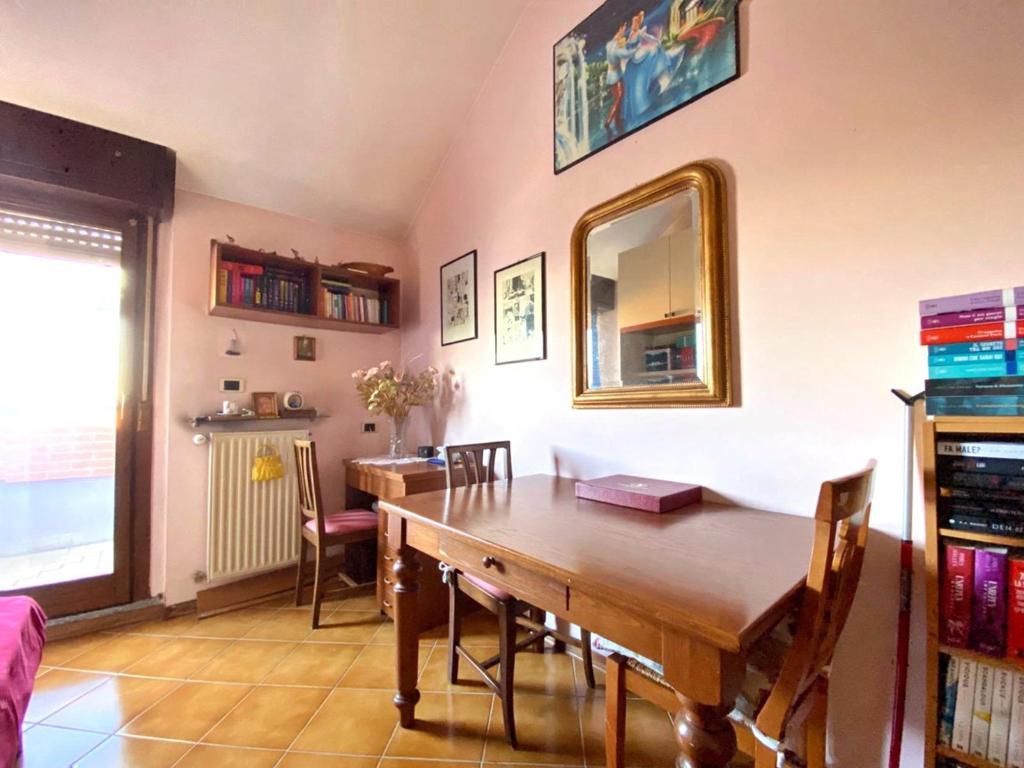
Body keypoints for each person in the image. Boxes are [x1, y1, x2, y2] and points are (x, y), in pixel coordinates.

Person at [603, 22, 629, 137]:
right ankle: (608, 121)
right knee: (619, 97)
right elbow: (623, 55)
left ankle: (617, 121)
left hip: (612, 74)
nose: (624, 30)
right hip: (615, 74)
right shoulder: (615, 44)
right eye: (623, 28)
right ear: (619, 29)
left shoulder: (609, 44)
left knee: (619, 97)